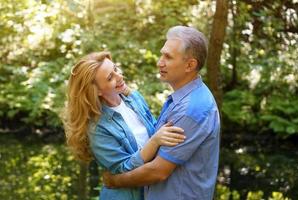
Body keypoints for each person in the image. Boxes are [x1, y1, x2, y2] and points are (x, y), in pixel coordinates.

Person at [103, 25, 221, 200]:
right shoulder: (182, 98)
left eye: (168, 57)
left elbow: (158, 171)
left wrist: (115, 181)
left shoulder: (191, 109)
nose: (160, 62)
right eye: (161, 54)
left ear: (190, 65)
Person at [64, 51, 186, 200]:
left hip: (153, 192)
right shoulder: (96, 128)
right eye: (110, 78)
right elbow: (122, 169)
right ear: (97, 91)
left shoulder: (133, 98)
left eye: (115, 69)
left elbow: (155, 127)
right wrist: (155, 141)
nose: (119, 76)